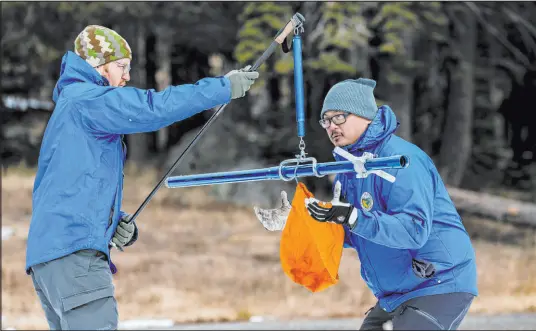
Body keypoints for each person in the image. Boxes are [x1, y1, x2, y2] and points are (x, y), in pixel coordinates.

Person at [25, 25, 259, 330]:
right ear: (99, 64)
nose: (126, 77)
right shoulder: (89, 99)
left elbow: (64, 186)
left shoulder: (71, 106)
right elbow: (153, 108)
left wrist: (111, 221)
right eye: (121, 67)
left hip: (50, 260)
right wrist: (222, 88)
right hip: (75, 257)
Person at [254, 78, 478, 330]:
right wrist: (299, 219)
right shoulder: (348, 168)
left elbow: (413, 230)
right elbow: (347, 231)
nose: (331, 127)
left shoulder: (400, 161)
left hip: (439, 283)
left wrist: (353, 217)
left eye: (338, 117)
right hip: (397, 291)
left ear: (364, 115)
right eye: (325, 120)